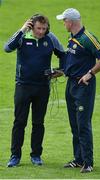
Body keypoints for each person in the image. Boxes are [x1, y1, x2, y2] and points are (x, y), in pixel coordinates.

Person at [4, 14, 65, 167]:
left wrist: (61, 71)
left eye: (44, 29)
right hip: (23, 86)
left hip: (43, 87)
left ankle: (36, 155)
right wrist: (22, 29)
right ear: (32, 26)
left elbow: (64, 55)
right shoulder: (22, 36)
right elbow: (7, 48)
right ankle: (15, 156)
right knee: (19, 122)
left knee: (38, 123)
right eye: (38, 28)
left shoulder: (50, 38)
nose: (41, 32)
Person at [56, 8, 100, 173]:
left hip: (83, 87)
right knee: (74, 124)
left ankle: (88, 162)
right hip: (71, 84)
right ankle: (78, 159)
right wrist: (59, 71)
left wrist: (90, 73)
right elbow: (74, 61)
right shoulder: (73, 37)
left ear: (70, 22)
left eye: (64, 20)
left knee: (83, 124)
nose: (63, 23)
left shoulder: (88, 38)